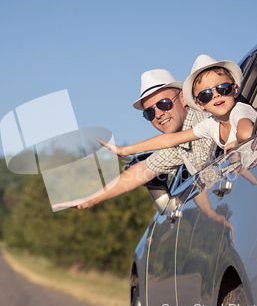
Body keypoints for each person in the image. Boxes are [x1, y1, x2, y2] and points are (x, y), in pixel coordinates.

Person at [52, 68, 215, 210]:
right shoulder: (179, 144)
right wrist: (92, 199)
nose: (158, 114)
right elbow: (142, 170)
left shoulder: (206, 117)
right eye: (149, 112)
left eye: (164, 104)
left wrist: (124, 150)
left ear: (183, 99)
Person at [99, 55, 257, 159]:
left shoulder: (239, 110)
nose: (216, 95)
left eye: (223, 88)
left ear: (235, 90)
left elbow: (246, 132)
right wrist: (123, 150)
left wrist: (237, 142)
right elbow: (169, 140)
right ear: (199, 104)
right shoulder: (211, 124)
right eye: (206, 95)